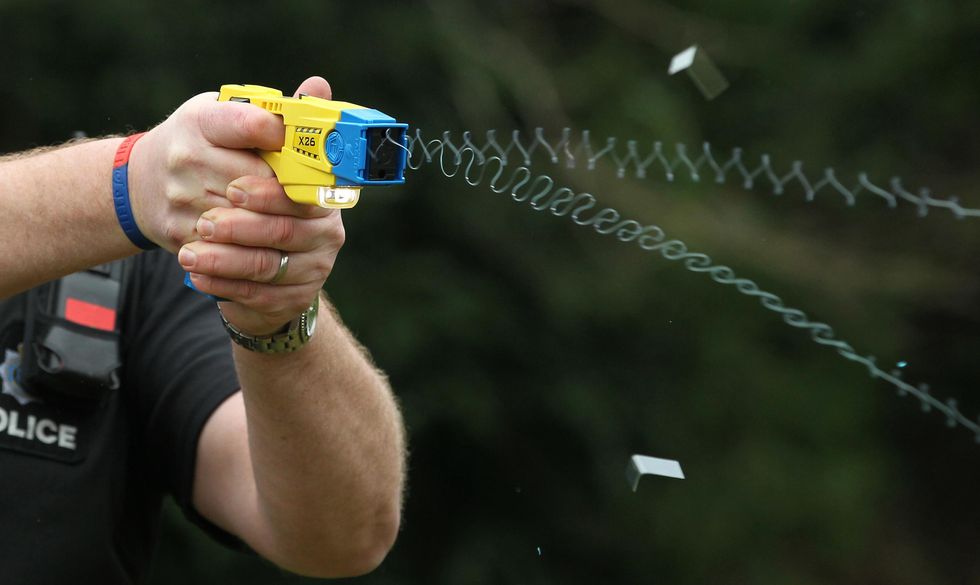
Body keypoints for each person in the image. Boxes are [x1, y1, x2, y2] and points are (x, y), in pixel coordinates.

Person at [0, 76, 406, 583]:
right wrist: (131, 183)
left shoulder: (134, 265)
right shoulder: (132, 225)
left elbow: (346, 537)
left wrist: (276, 317)